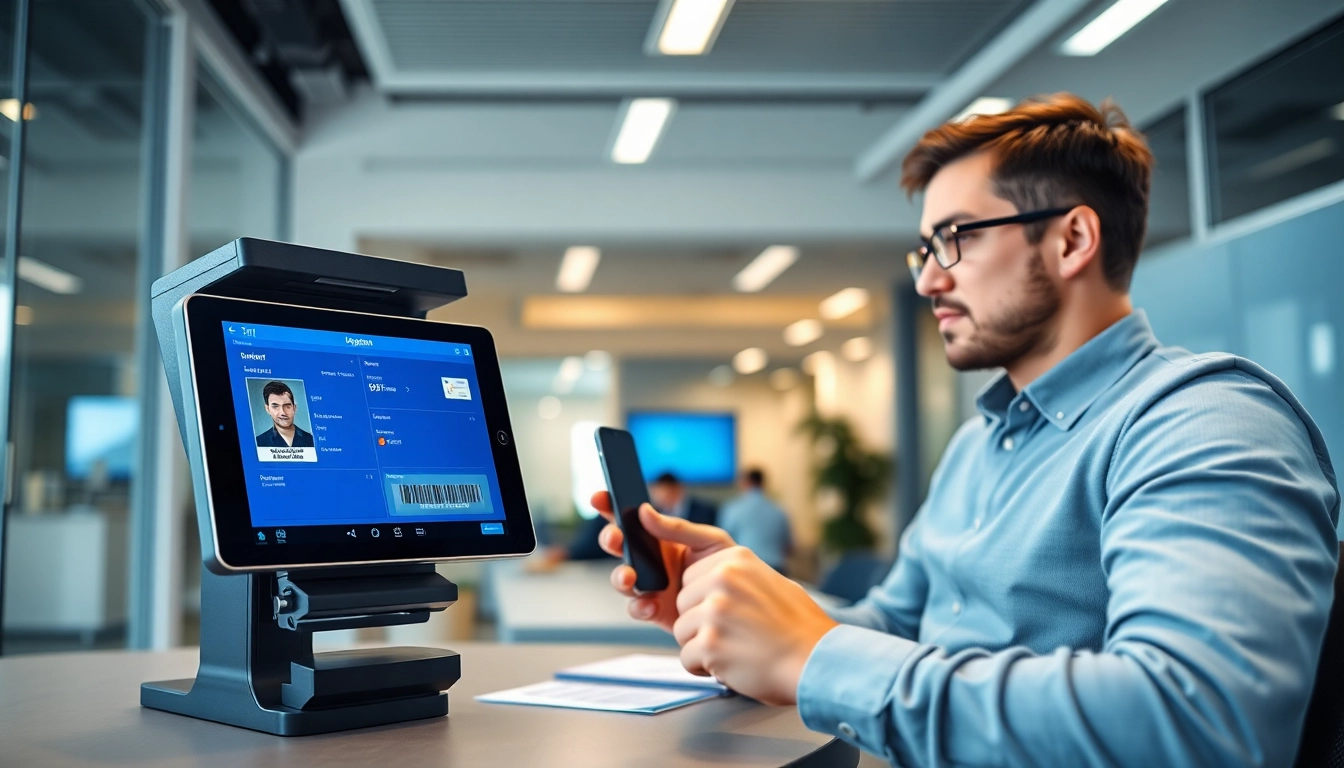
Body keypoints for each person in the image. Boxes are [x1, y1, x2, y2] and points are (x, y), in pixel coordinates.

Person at [590, 94, 1340, 766]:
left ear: (1073, 240)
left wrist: (815, 657)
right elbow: (896, 623)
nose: (927, 280)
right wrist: (745, 608)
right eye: (925, 247)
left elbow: (1194, 724)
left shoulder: (1203, 423)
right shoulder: (981, 441)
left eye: (957, 238)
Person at [717, 468, 792, 575]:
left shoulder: (732, 509)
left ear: (745, 482)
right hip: (777, 571)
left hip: (746, 569)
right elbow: (788, 546)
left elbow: (722, 542)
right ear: (763, 483)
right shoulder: (779, 510)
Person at [255, 380, 314, 448]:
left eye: (287, 406)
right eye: (275, 406)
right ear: (268, 409)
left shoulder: (311, 439)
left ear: (294, 408)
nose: (283, 412)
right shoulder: (259, 442)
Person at [648, 472, 717, 527]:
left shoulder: (704, 511)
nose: (659, 497)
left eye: (663, 492)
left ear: (676, 490)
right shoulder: (655, 511)